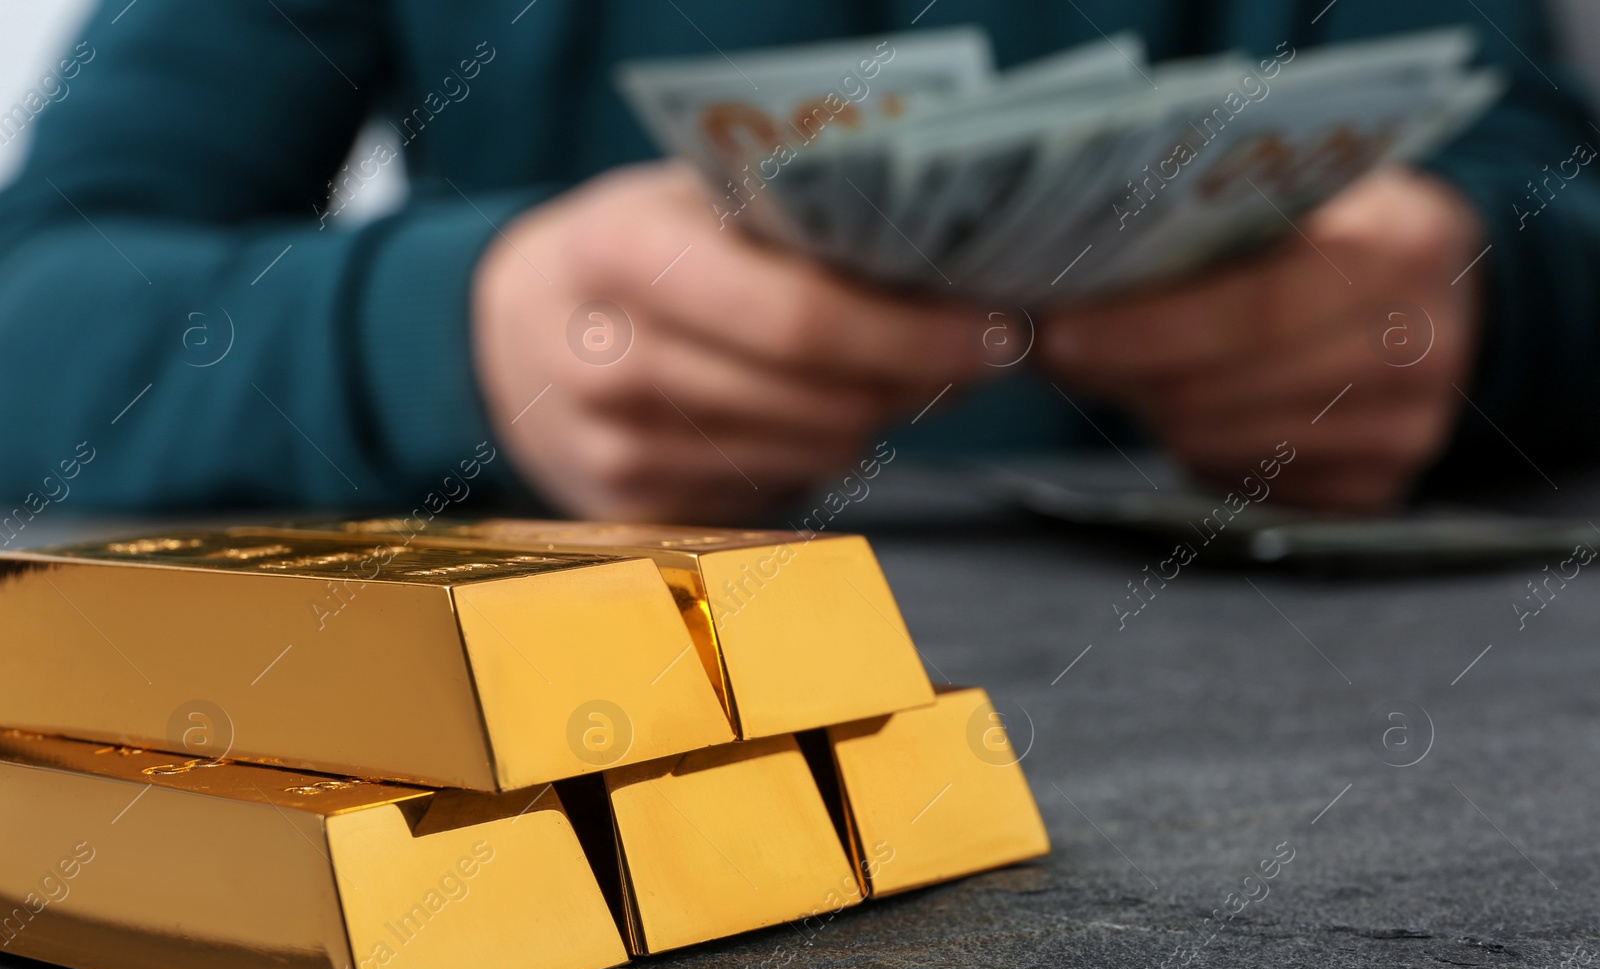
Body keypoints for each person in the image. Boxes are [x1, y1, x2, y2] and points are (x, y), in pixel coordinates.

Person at [0, 0, 1594, 523]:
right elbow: (32, 314)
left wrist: (1476, 313)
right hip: (596, 780)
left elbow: (1547, 207)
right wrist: (458, 332)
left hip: (1315, 760)